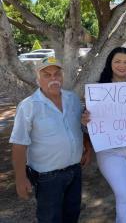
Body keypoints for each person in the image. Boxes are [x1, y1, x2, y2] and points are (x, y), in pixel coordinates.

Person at [9, 56, 92, 223]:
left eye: (57, 74)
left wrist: (87, 147)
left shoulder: (73, 99)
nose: (53, 78)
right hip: (47, 178)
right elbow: (19, 145)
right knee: (50, 219)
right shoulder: (28, 106)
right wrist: (20, 178)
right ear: (38, 79)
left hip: (74, 172)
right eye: (47, 75)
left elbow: (78, 127)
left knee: (72, 215)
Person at [82, 47, 126, 223]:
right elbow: (89, 128)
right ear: (110, 63)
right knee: (124, 193)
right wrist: (85, 121)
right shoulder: (98, 90)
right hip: (110, 151)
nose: (122, 65)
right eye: (117, 61)